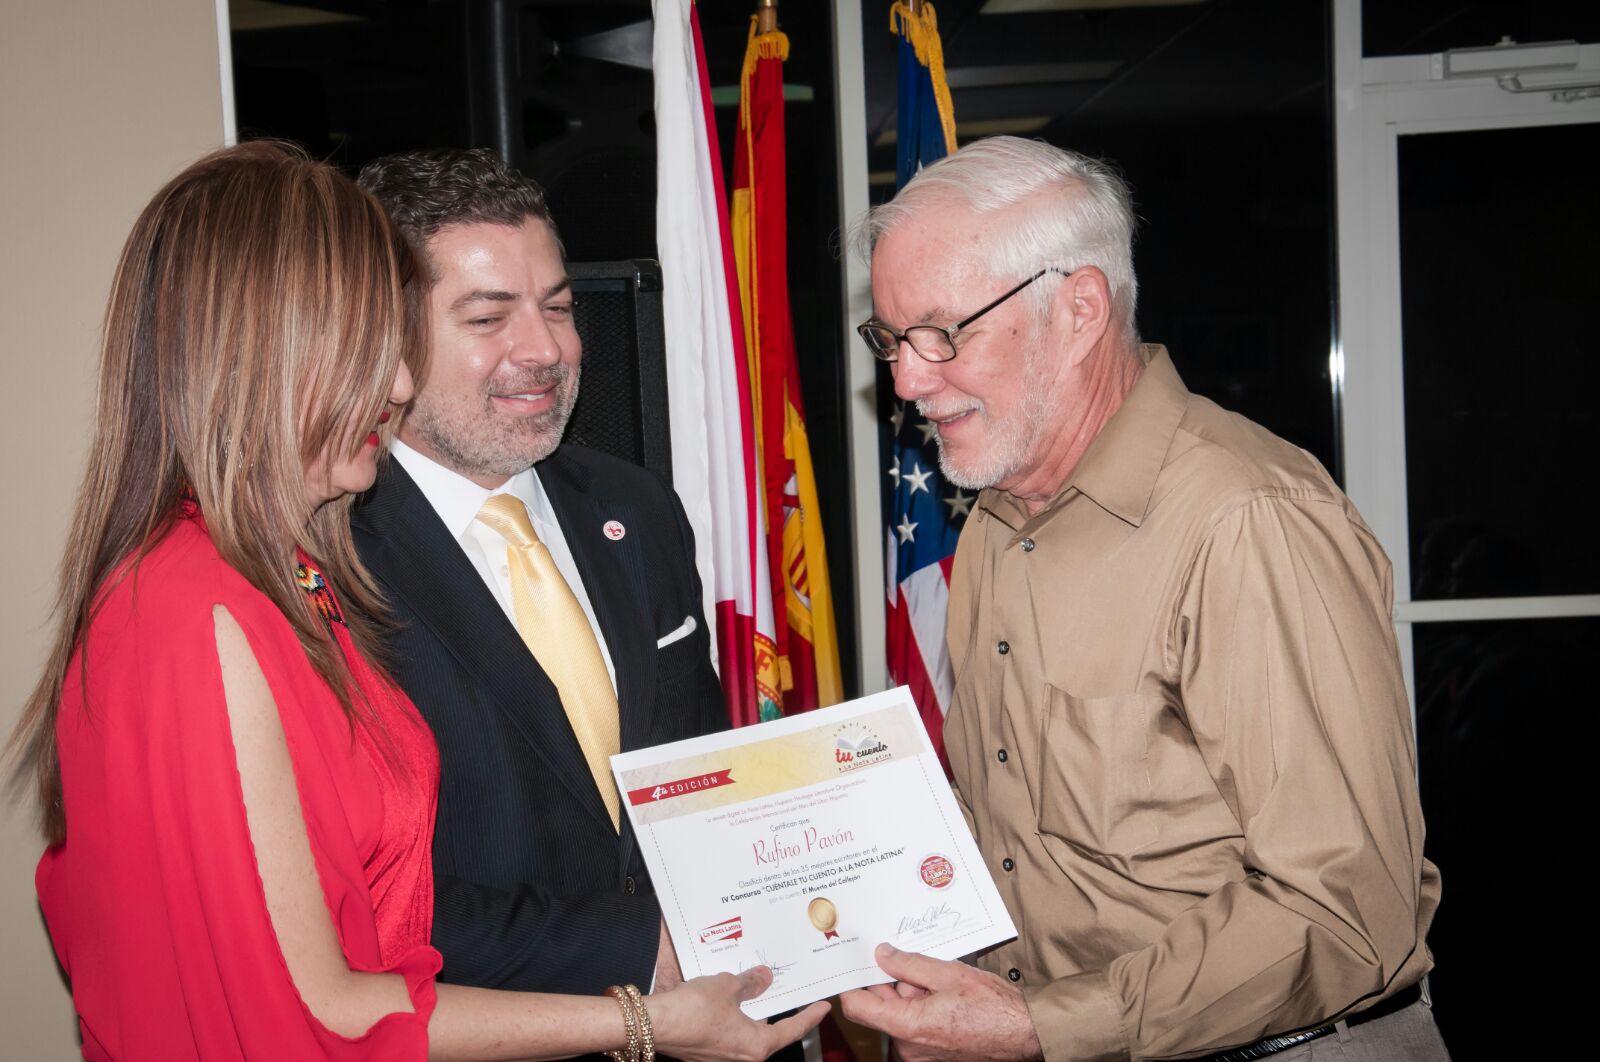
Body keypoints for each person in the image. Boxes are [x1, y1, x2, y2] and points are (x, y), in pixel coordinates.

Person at [7, 141, 824, 1061]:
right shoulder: (206, 611)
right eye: (370, 345)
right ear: (262, 355)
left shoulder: (291, 573)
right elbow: (317, 1010)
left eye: (559, 307)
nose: (392, 384)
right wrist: (640, 1016)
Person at [838, 136, 1448, 1062]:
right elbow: (1017, 835)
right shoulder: (998, 516)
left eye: (942, 333)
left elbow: (1347, 910)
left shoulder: (1249, 520)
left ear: (1080, 309)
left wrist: (1040, 1026)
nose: (907, 379)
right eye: (891, 339)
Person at [351, 149, 728, 1000]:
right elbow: (366, 905)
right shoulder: (331, 561)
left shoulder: (637, 508)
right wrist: (642, 957)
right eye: (489, 318)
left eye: (558, 307)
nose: (547, 349)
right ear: (383, 337)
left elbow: (704, 774)